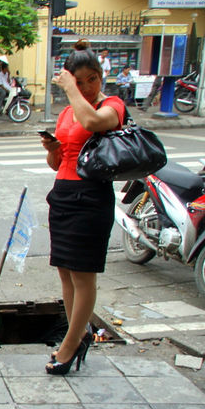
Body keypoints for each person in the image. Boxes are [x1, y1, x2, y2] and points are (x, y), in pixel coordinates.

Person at [40, 39, 124, 375]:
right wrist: (52, 148)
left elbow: (90, 122)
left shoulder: (112, 105)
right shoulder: (64, 113)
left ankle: (71, 344)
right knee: (65, 273)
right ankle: (80, 334)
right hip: (62, 194)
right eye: (81, 80)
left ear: (101, 78)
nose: (88, 87)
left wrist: (72, 89)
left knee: (83, 275)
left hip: (91, 196)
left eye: (93, 79)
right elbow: (57, 162)